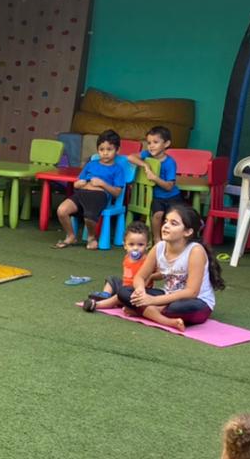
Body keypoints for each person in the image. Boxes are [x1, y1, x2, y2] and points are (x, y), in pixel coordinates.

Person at [113, 202, 225, 330]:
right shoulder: (159, 247)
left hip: (197, 302)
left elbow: (191, 292)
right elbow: (140, 277)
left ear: (188, 232)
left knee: (177, 308)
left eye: (173, 223)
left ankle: (145, 311)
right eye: (166, 221)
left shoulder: (195, 251)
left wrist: (152, 301)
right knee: (124, 292)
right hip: (167, 295)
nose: (166, 226)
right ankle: (160, 316)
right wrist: (140, 291)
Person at [55, 130, 130, 249]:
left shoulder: (117, 169)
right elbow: (76, 184)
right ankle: (71, 236)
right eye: (101, 149)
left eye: (109, 149)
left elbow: (117, 193)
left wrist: (102, 184)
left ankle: (91, 237)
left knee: (89, 217)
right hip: (81, 193)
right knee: (62, 210)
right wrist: (78, 184)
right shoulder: (91, 164)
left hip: (99, 196)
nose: (105, 153)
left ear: (117, 150)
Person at [82, 222, 152, 312]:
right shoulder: (127, 257)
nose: (135, 248)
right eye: (131, 244)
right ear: (125, 245)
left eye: (140, 245)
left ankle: (97, 305)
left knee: (120, 295)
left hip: (137, 291)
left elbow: (157, 274)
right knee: (112, 279)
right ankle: (105, 295)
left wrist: (148, 280)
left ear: (147, 245)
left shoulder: (148, 260)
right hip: (124, 286)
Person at [125, 125, 181, 232]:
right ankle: (157, 239)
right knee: (157, 215)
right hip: (156, 197)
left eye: (155, 142)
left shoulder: (170, 162)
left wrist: (155, 178)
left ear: (166, 144)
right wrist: (145, 164)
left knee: (175, 216)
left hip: (172, 196)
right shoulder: (147, 154)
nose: (151, 146)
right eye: (149, 143)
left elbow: (169, 187)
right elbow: (130, 157)